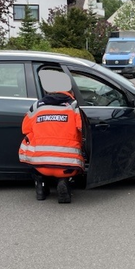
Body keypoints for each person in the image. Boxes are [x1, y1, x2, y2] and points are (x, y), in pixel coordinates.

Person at [18, 70, 84, 204]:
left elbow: (25, 129)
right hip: (68, 167)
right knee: (79, 142)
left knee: (28, 138)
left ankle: (40, 185)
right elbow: (82, 128)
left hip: (41, 165)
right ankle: (64, 181)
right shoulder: (74, 106)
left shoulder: (37, 106)